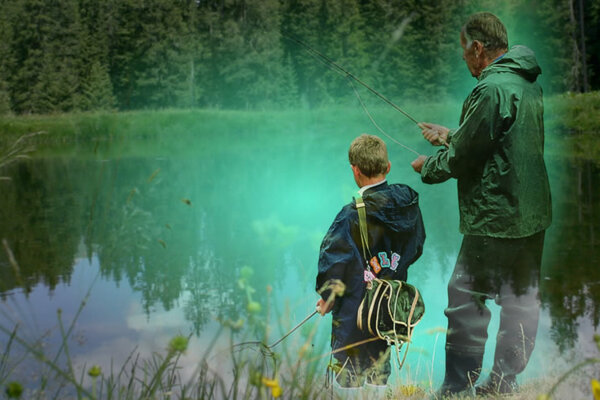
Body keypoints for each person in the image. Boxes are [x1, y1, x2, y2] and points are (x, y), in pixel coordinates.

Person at [410, 12, 552, 397]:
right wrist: (451, 135)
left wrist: (429, 166)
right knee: (520, 299)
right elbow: (497, 140)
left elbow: (463, 159)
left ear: (477, 48)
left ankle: (457, 386)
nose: (463, 59)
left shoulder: (489, 90)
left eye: (464, 51)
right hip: (532, 214)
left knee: (465, 300)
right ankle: (503, 383)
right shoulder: (526, 83)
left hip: (496, 217)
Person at [316, 133, 425, 396]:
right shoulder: (407, 204)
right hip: (389, 308)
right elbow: (417, 244)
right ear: (387, 167)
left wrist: (327, 297)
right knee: (379, 366)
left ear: (355, 171)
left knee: (348, 371)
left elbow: (335, 261)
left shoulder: (351, 214)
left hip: (354, 310)